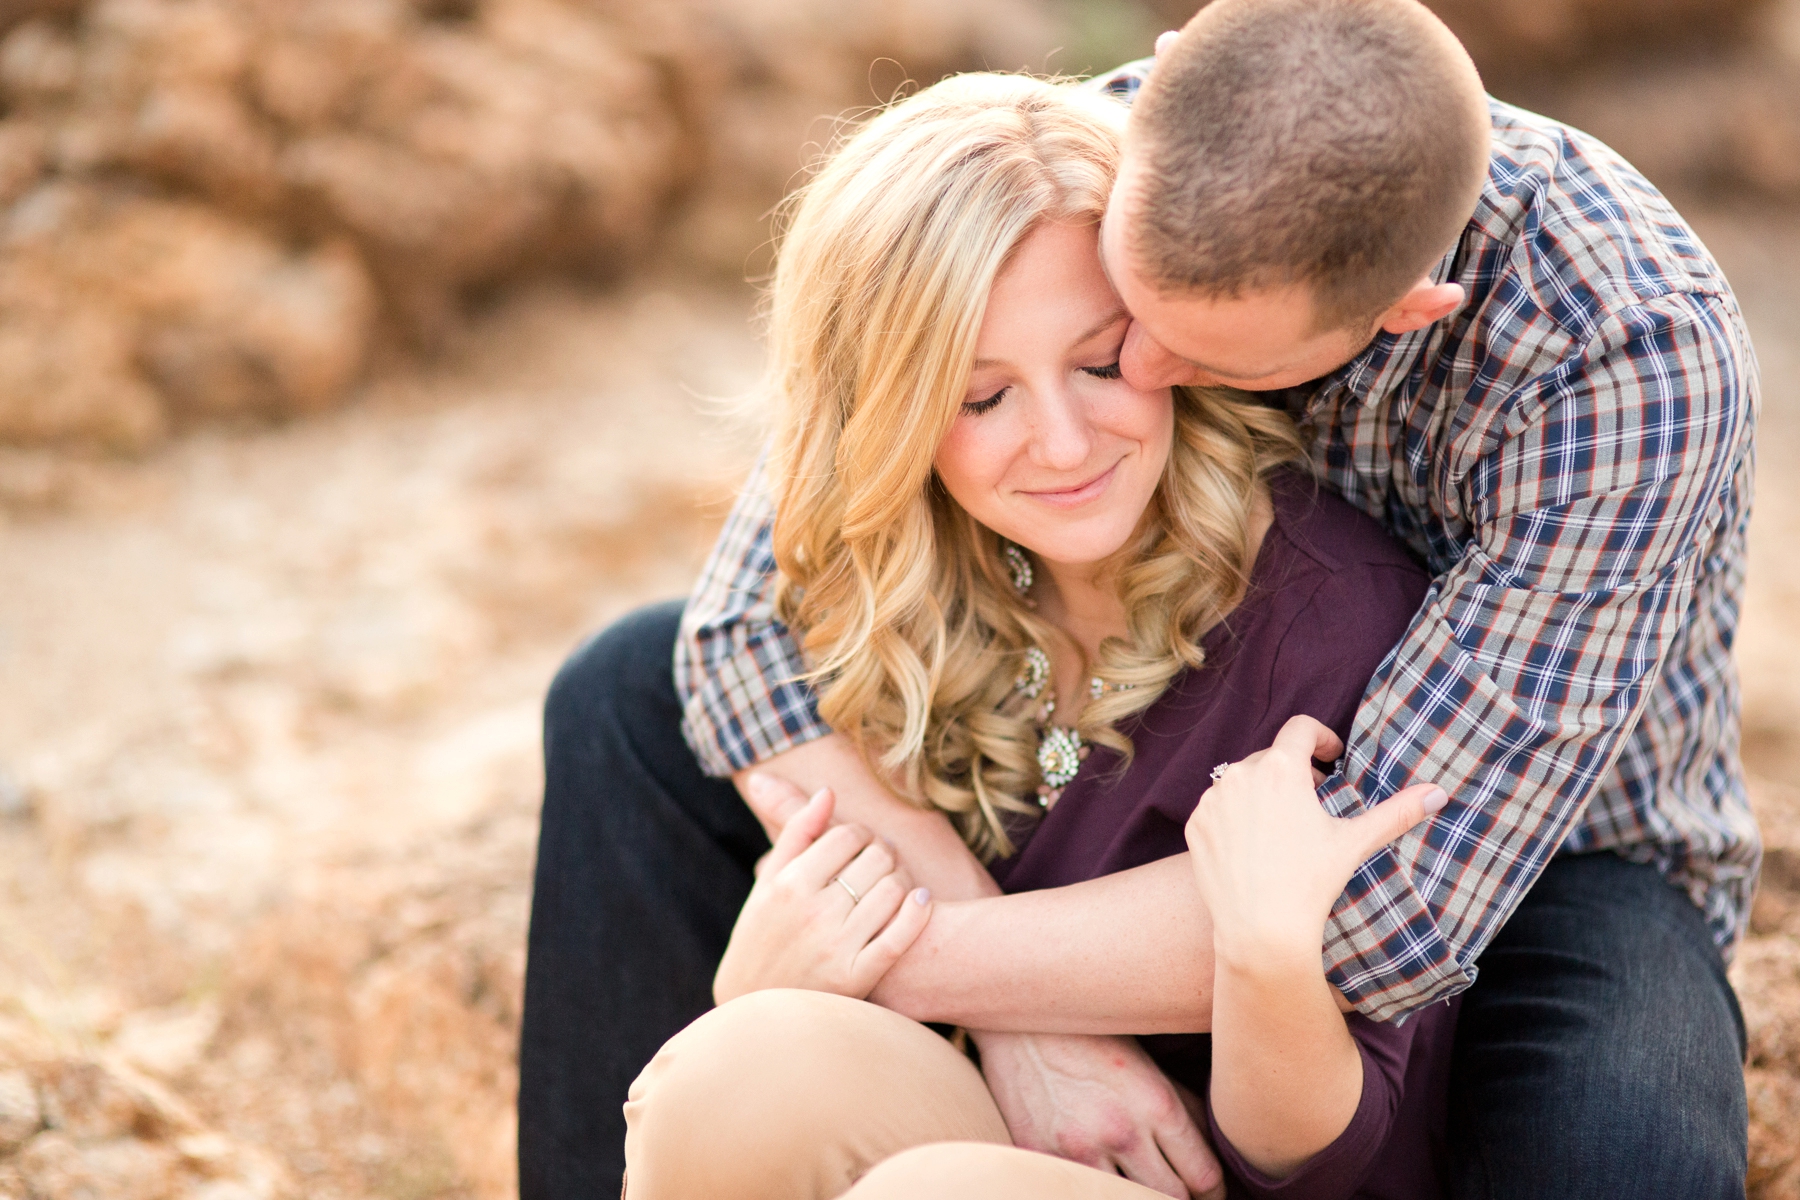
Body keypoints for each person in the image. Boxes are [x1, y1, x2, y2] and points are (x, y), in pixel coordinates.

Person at [518, 0, 1758, 1196]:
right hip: (1133, 669)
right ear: (1158, 82)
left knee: (1614, 1155)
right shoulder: (1095, 158)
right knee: (628, 695)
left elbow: (1385, 905)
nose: (1149, 369)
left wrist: (889, 960)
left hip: (1547, 847)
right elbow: (745, 629)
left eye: (1175, 358)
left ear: (1400, 316)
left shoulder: (1633, 352)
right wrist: (1023, 1024)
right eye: (1129, 313)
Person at [621, 71, 1454, 1199]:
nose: (1062, 445)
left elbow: (1314, 1154)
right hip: (994, 1125)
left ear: (1173, 337)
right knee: (729, 1078)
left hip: (1247, 1177)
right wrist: (766, 989)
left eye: (1102, 362)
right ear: (897, 417)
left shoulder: (1336, 619)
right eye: (980, 397)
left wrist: (1261, 956)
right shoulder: (916, 578)